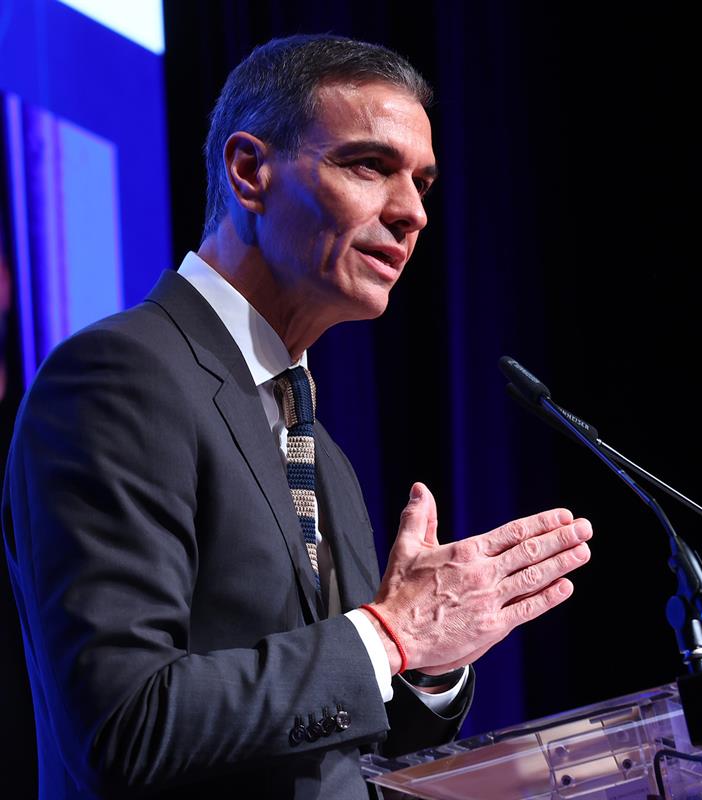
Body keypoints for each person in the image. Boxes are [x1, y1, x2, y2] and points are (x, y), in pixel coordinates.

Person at [2, 34, 593, 800]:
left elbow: (339, 734)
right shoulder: (121, 376)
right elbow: (122, 724)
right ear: (250, 172)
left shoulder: (319, 451)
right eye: (370, 166)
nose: (412, 212)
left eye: (423, 181)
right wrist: (388, 635)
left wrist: (429, 663)